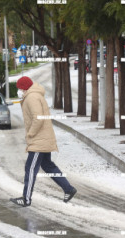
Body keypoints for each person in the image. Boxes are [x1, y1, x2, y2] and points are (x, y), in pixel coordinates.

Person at [10, 76, 77, 207]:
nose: (18, 91)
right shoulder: (33, 95)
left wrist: (31, 134)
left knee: (30, 169)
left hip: (38, 141)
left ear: (24, 88)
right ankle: (68, 189)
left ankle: (26, 199)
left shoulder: (31, 97)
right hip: (43, 138)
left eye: (19, 88)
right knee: (48, 166)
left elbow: (38, 118)